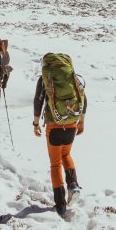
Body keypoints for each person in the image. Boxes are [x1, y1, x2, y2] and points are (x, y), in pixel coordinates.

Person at [33, 52, 87, 217]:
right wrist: (81, 122)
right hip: (71, 124)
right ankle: (73, 184)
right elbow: (83, 99)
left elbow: (38, 101)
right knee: (66, 154)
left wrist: (36, 123)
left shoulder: (45, 79)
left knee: (55, 164)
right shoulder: (72, 77)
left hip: (54, 126)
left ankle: (61, 204)